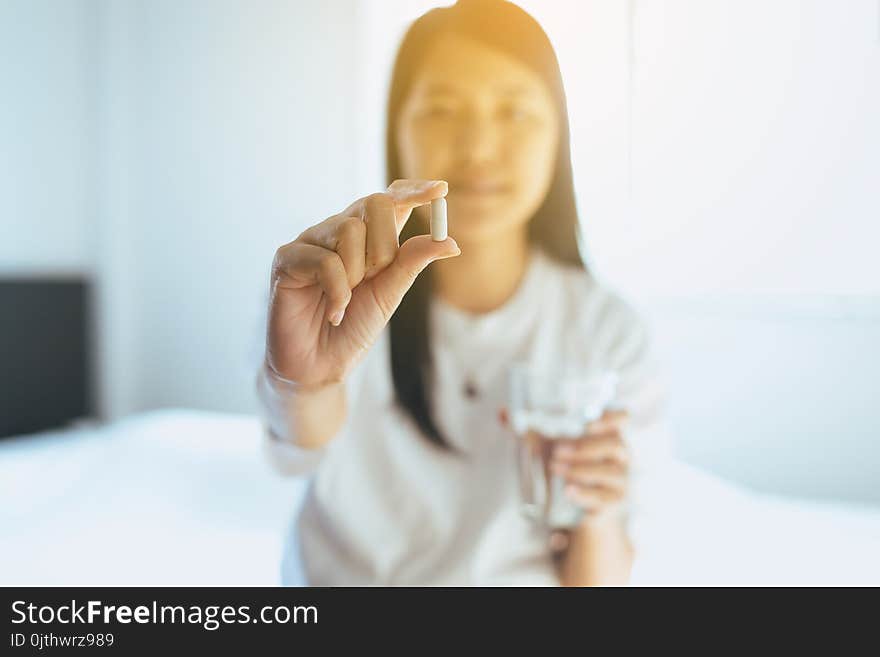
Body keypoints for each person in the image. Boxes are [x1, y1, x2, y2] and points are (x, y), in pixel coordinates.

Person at [256, 0, 671, 586]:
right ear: (396, 130)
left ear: (559, 135)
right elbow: (295, 451)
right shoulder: (329, 294)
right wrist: (300, 383)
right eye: (442, 111)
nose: (478, 148)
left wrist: (596, 509)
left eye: (515, 112)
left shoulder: (607, 331)